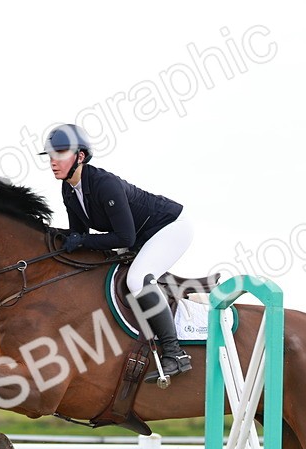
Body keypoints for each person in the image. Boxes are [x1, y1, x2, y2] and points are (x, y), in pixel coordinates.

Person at [40, 123, 193, 384]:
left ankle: (174, 353)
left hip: (170, 228)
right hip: (140, 235)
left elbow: (124, 238)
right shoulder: (68, 190)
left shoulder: (104, 185)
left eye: (61, 154)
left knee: (137, 280)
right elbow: (79, 236)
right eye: (51, 156)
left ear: (80, 156)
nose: (54, 162)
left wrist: (81, 240)